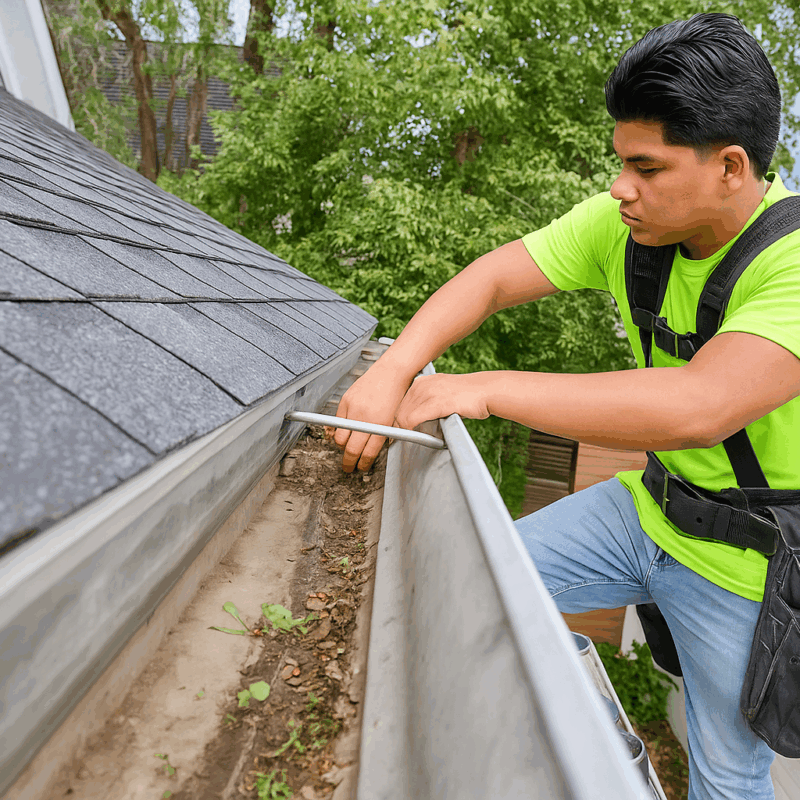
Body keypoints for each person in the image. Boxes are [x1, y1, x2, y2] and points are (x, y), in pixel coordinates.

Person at [331, 13, 800, 800]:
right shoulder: (626, 227)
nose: (620, 187)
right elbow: (491, 279)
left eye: (646, 167)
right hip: (645, 511)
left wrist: (484, 388)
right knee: (474, 582)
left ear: (729, 166)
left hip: (747, 569)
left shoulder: (791, 264)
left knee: (726, 776)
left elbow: (699, 406)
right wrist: (397, 368)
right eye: (621, 162)